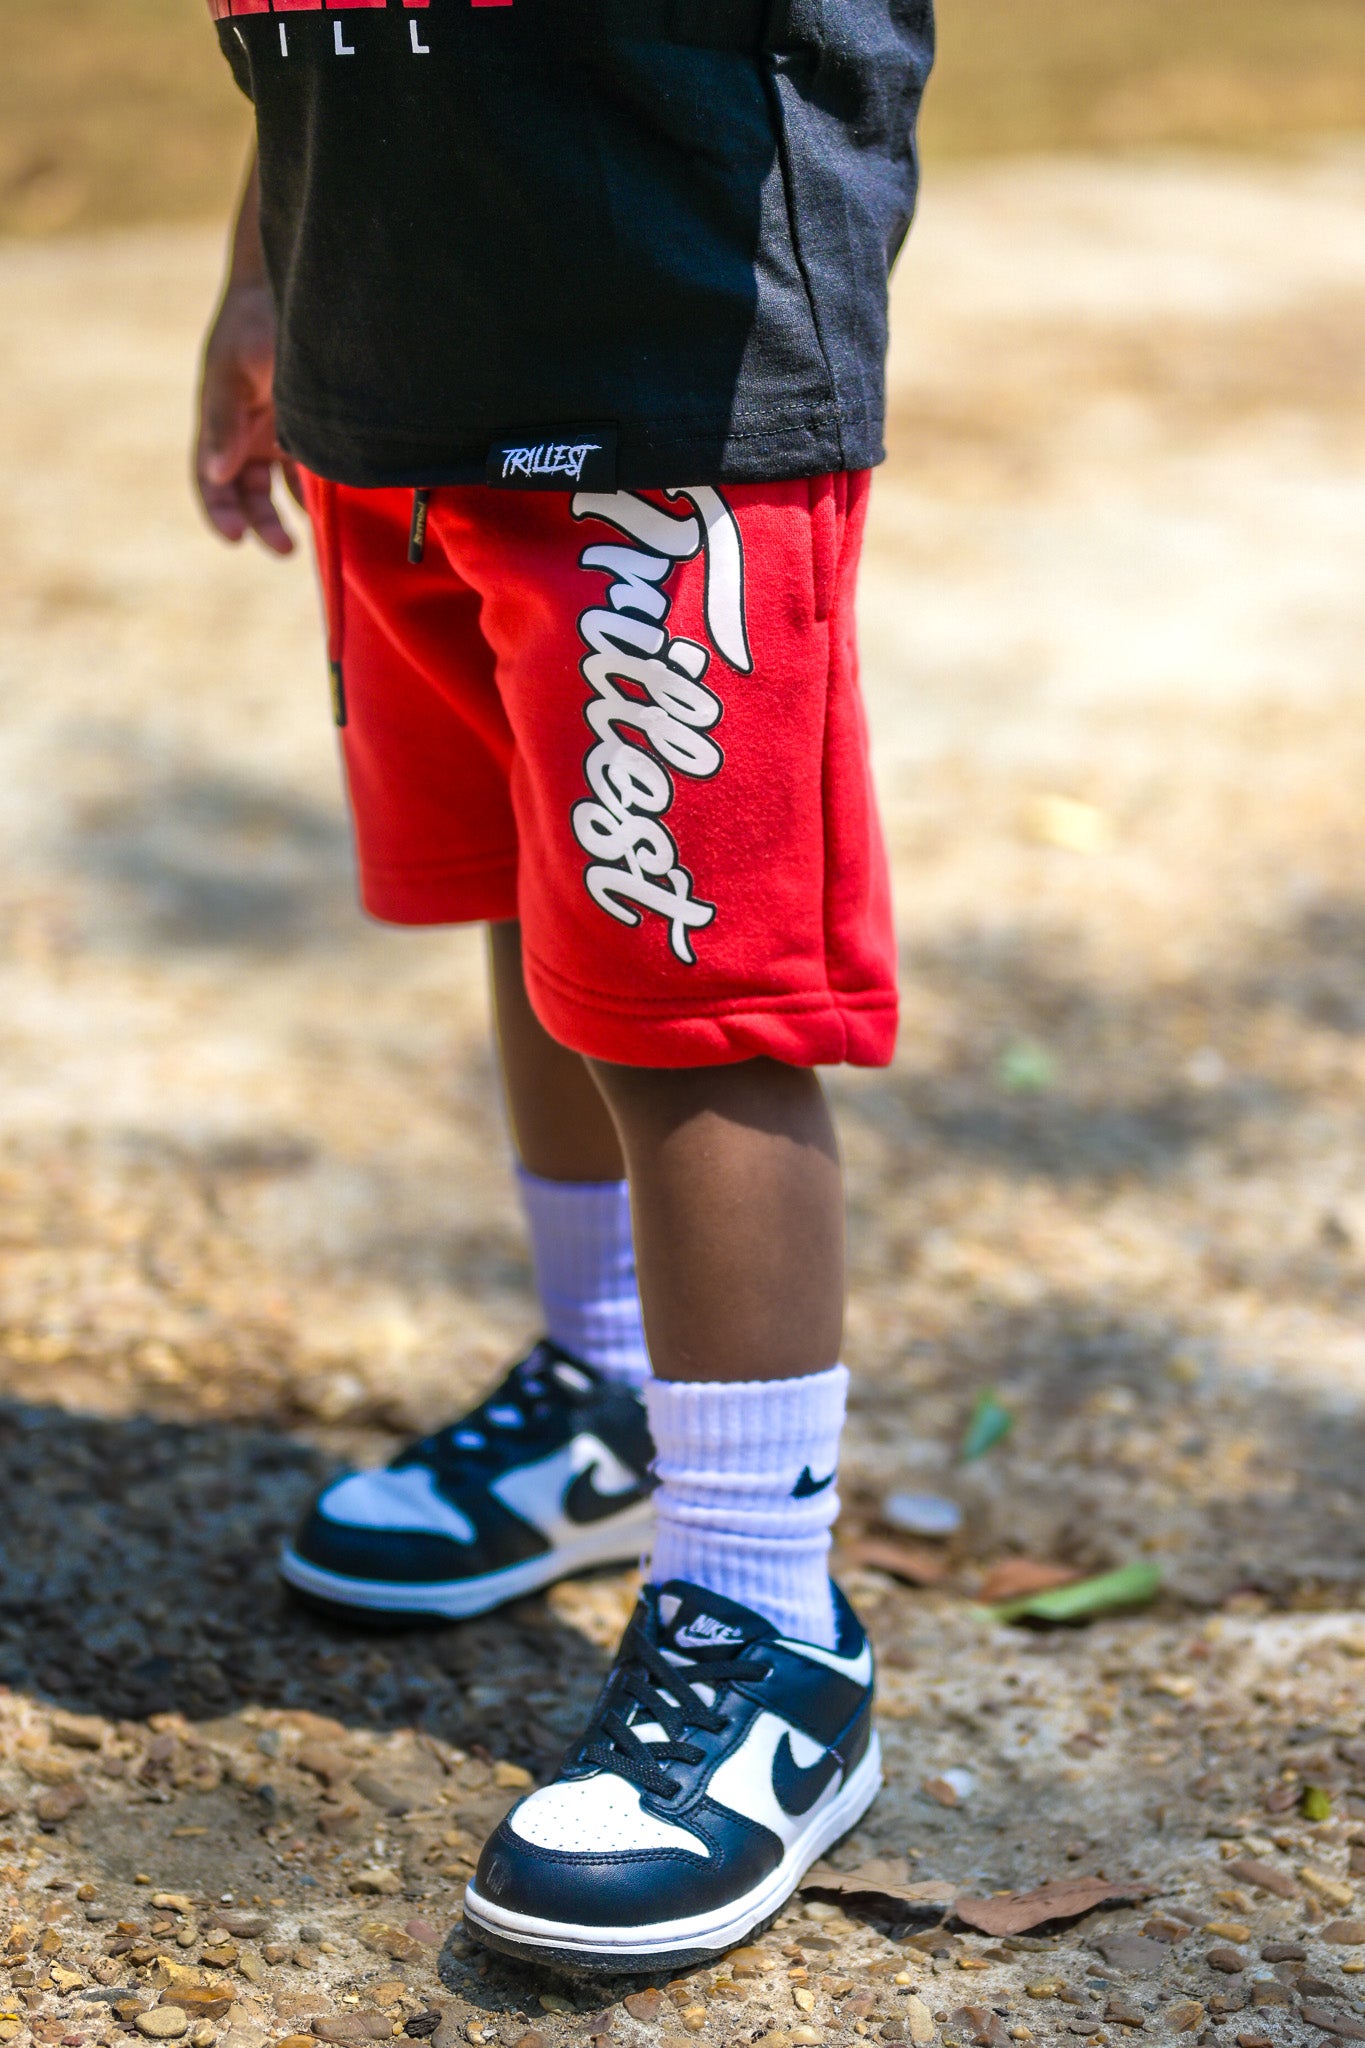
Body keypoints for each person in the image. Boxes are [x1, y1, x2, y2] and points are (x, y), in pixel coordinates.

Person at [194, 0, 932, 1975]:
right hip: (390, 370)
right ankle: (609, 1386)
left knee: (688, 992)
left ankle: (767, 1623)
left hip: (655, 378)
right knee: (547, 895)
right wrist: (265, 273)